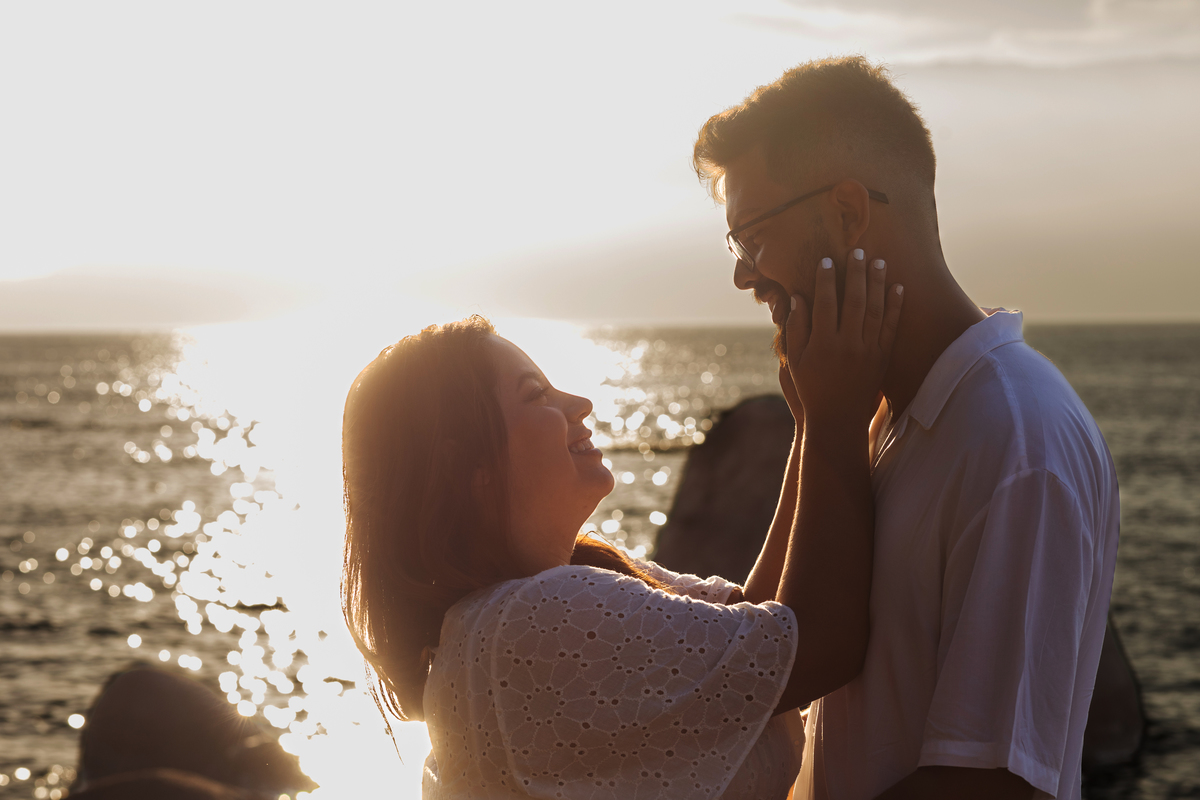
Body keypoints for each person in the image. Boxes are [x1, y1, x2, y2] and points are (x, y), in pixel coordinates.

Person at [692, 56, 1120, 800]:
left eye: (752, 237)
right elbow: (767, 650)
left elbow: (991, 784)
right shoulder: (876, 418)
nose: (743, 275)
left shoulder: (1015, 437)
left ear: (848, 212)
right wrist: (819, 425)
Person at [339, 256, 902, 799]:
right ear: (467, 468)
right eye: (536, 394)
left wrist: (811, 422)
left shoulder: (551, 591)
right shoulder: (528, 620)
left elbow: (756, 625)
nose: (579, 403)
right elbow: (818, 645)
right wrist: (835, 417)